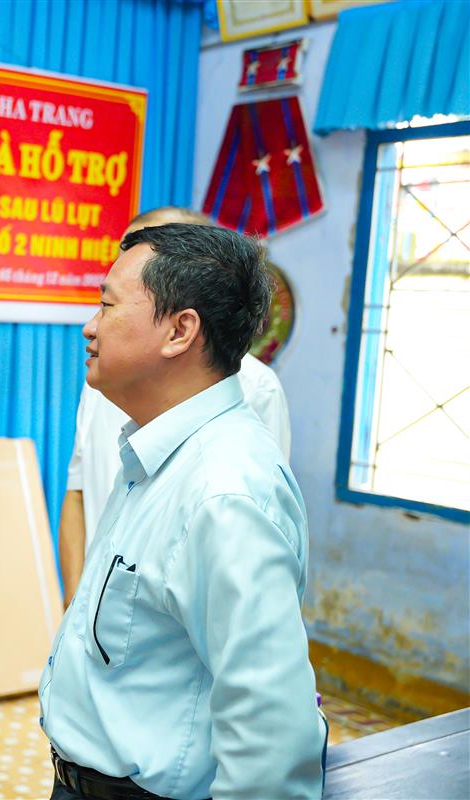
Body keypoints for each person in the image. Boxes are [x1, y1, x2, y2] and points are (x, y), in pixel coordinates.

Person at [40, 224, 324, 799]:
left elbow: (271, 744)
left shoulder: (225, 494)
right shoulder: (156, 452)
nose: (89, 326)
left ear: (179, 330)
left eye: (107, 305)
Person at [57, 207, 290, 604]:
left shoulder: (235, 481)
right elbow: (78, 493)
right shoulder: (106, 380)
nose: (92, 326)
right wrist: (77, 608)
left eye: (110, 304)